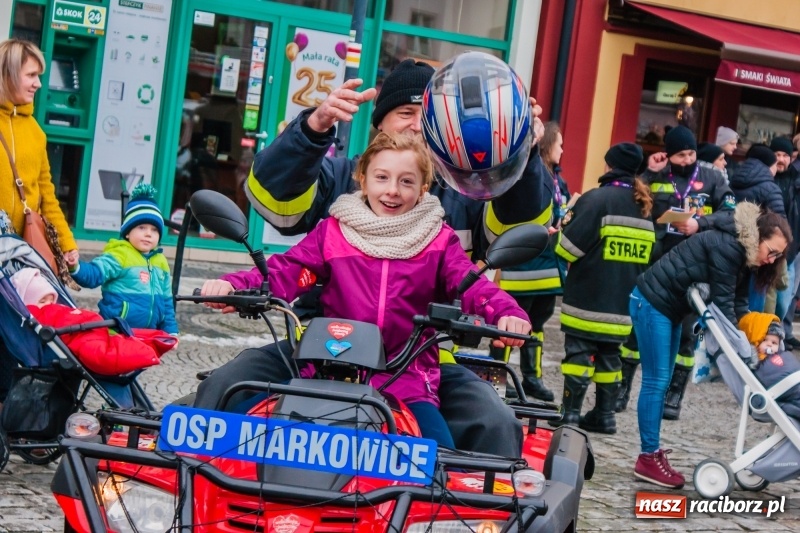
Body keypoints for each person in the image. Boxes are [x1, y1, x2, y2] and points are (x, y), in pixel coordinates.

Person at [236, 58, 554, 456]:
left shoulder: (472, 189)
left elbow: (514, 231)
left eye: (432, 115)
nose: (420, 124)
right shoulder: (340, 176)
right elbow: (276, 205)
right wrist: (312, 130)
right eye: (407, 113)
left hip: (420, 361)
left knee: (493, 421)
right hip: (320, 352)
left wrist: (520, 154)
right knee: (231, 385)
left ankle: (457, 516)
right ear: (380, 125)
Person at [196, 133, 531, 447]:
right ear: (363, 178)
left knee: (437, 458)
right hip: (326, 372)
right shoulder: (332, 232)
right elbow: (287, 271)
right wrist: (234, 286)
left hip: (407, 380)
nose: (393, 191)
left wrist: (507, 314)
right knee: (232, 430)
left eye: (406, 181)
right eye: (382, 177)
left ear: (424, 188)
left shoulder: (439, 242)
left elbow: (470, 284)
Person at [631, 202, 791, 488]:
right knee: (656, 382)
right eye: (772, 251)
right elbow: (724, 307)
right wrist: (742, 352)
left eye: (779, 256)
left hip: (669, 309)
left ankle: (651, 452)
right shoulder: (729, 249)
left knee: (662, 381)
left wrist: (765, 329)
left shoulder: (744, 254)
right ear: (758, 237)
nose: (772, 259)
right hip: (652, 302)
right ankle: (647, 458)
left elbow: (739, 307)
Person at [617, 126, 737, 420]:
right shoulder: (657, 176)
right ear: (669, 156)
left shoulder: (713, 178)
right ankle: (621, 390)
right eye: (681, 155)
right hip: (655, 265)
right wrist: (647, 172)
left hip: (696, 269)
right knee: (634, 332)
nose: (688, 159)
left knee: (686, 335)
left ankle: (674, 396)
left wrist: (701, 224)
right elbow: (633, 200)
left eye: (691, 153)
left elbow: (732, 213)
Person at [551, 143, 654, 433]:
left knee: (578, 357)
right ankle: (604, 415)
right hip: (623, 303)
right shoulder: (643, 206)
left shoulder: (596, 200)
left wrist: (558, 232)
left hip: (588, 299)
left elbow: (568, 249)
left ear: (609, 166)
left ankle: (570, 414)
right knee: (611, 358)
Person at [0, 39, 79, 408]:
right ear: (8, 73)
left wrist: (65, 242)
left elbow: (46, 194)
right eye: (31, 75)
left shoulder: (35, 130)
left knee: (19, 339)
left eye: (39, 76)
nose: (37, 84)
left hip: (22, 260)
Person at [10, 267, 176, 407]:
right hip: (77, 336)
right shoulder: (35, 314)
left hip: (86, 328)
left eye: (50, 300)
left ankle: (150, 342)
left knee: (116, 339)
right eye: (42, 301)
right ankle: (145, 348)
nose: (47, 304)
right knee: (105, 352)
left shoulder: (55, 309)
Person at [489, 122, 570, 401]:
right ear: (547, 145)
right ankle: (497, 379)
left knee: (536, 326)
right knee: (507, 324)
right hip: (520, 265)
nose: (563, 149)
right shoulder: (528, 179)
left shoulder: (560, 182)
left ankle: (532, 378)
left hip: (547, 267)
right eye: (560, 144)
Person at [67, 184, 178, 335]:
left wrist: (170, 331)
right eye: (141, 227)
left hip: (148, 333)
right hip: (117, 330)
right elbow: (94, 274)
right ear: (127, 233)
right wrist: (76, 267)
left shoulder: (161, 262)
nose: (148, 234)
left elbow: (166, 301)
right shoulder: (121, 254)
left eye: (154, 230)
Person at [738, 312, 800, 419]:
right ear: (755, 341)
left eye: (774, 342)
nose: (769, 344)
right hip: (783, 390)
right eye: (764, 340)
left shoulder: (782, 354)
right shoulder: (757, 364)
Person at [770, 137, 800, 349]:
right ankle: (767, 338)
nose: (781, 159)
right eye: (777, 154)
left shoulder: (796, 181)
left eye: (785, 156)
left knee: (783, 300)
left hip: (789, 251)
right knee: (765, 299)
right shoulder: (765, 178)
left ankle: (776, 333)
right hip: (766, 250)